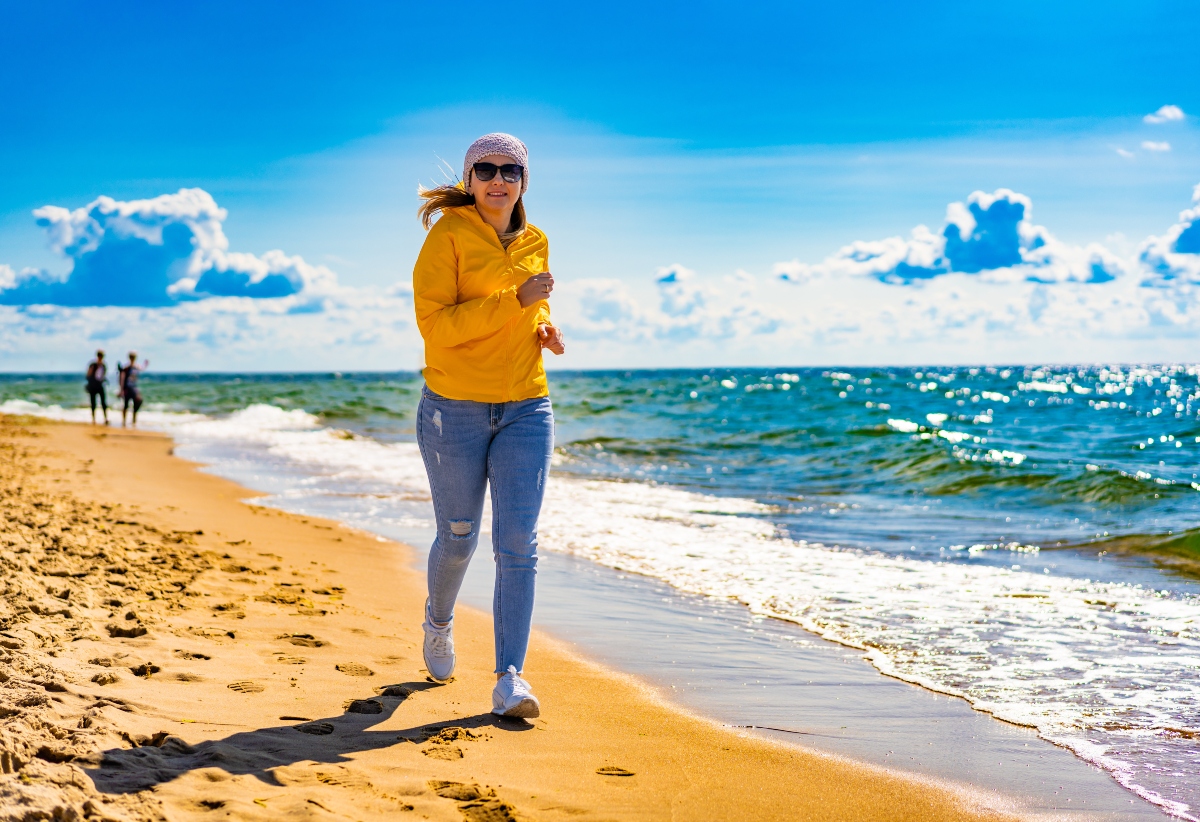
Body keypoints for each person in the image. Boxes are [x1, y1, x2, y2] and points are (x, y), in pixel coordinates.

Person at [412, 133, 566, 718]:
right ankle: (438, 621)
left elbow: (535, 304)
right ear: (469, 179)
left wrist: (543, 327)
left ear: (524, 181)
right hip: (454, 407)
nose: (498, 180)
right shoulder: (447, 236)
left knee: (518, 544)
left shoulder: (536, 240)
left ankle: (510, 679)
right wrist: (514, 301)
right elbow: (436, 326)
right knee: (458, 537)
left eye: (510, 170)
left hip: (527, 405)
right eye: (486, 169)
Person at [117, 352, 148, 427]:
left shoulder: (136, 366)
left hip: (134, 387)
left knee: (138, 401)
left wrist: (145, 364)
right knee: (126, 404)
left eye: (134, 357)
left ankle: (134, 420)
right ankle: (124, 421)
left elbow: (142, 368)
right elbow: (122, 378)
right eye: (132, 357)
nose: (132, 359)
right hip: (127, 388)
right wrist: (121, 390)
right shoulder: (126, 367)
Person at [85, 350, 109, 425]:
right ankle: (94, 419)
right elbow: (88, 375)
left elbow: (103, 375)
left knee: (103, 402)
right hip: (93, 385)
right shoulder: (93, 365)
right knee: (93, 403)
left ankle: (105, 418)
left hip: (100, 385)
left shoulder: (103, 365)